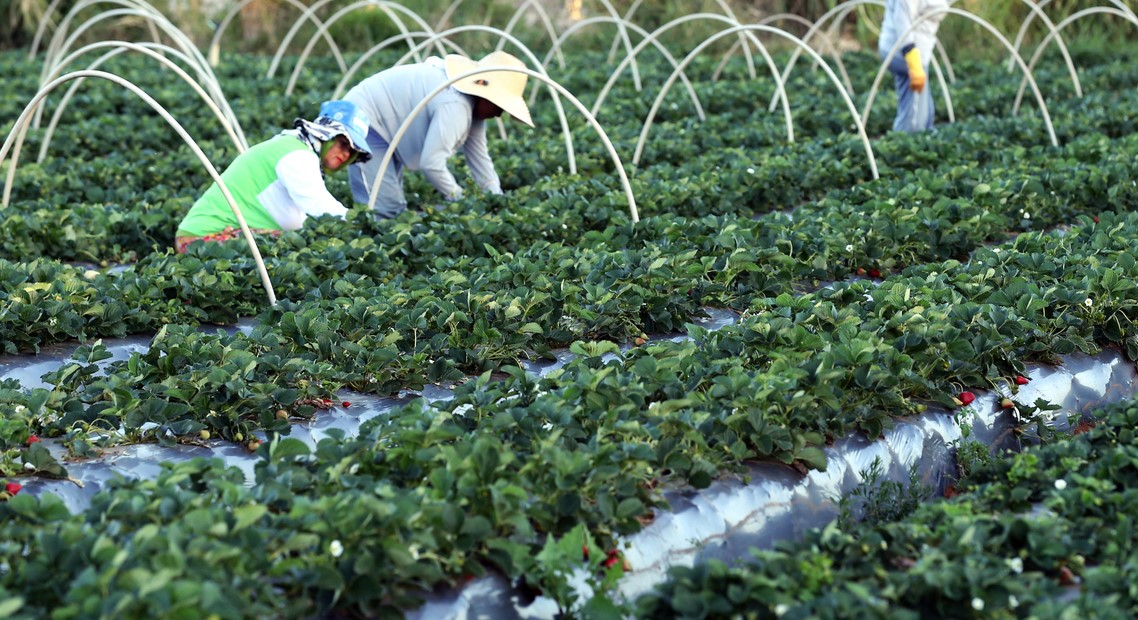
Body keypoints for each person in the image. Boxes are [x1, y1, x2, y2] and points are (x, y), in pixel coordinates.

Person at [343, 51, 534, 219]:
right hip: (364, 119)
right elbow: (431, 163)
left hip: (387, 123)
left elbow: (480, 160)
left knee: (391, 207)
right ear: (483, 94)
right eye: (498, 105)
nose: (499, 114)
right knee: (383, 209)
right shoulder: (455, 106)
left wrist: (495, 201)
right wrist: (461, 200)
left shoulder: (472, 108)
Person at [174, 100, 372, 253]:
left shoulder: (295, 148)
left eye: (353, 151)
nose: (346, 153)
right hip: (204, 238)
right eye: (343, 144)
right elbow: (319, 206)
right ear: (326, 135)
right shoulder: (297, 155)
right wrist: (363, 225)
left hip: (207, 236)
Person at [878, 0, 948, 132]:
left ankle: (916, 143)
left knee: (925, 114)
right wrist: (912, 58)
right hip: (904, 52)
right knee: (915, 121)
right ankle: (902, 147)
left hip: (916, 53)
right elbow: (902, 21)